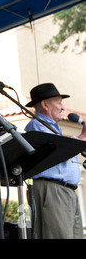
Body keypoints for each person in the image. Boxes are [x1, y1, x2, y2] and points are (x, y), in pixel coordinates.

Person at [24, 83, 86, 239]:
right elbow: (55, 152)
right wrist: (81, 138)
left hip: (65, 191)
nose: (63, 107)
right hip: (52, 190)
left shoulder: (52, 127)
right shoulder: (37, 125)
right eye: (58, 101)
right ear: (45, 104)